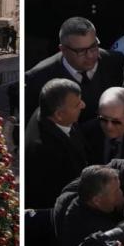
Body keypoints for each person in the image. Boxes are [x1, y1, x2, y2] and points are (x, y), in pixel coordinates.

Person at [24, 17, 124, 123]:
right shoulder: (38, 78)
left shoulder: (115, 62)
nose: (90, 55)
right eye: (80, 51)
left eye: (93, 46)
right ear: (63, 50)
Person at [25, 78, 89, 209]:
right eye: (77, 104)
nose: (83, 105)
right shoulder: (45, 150)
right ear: (59, 114)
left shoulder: (47, 110)